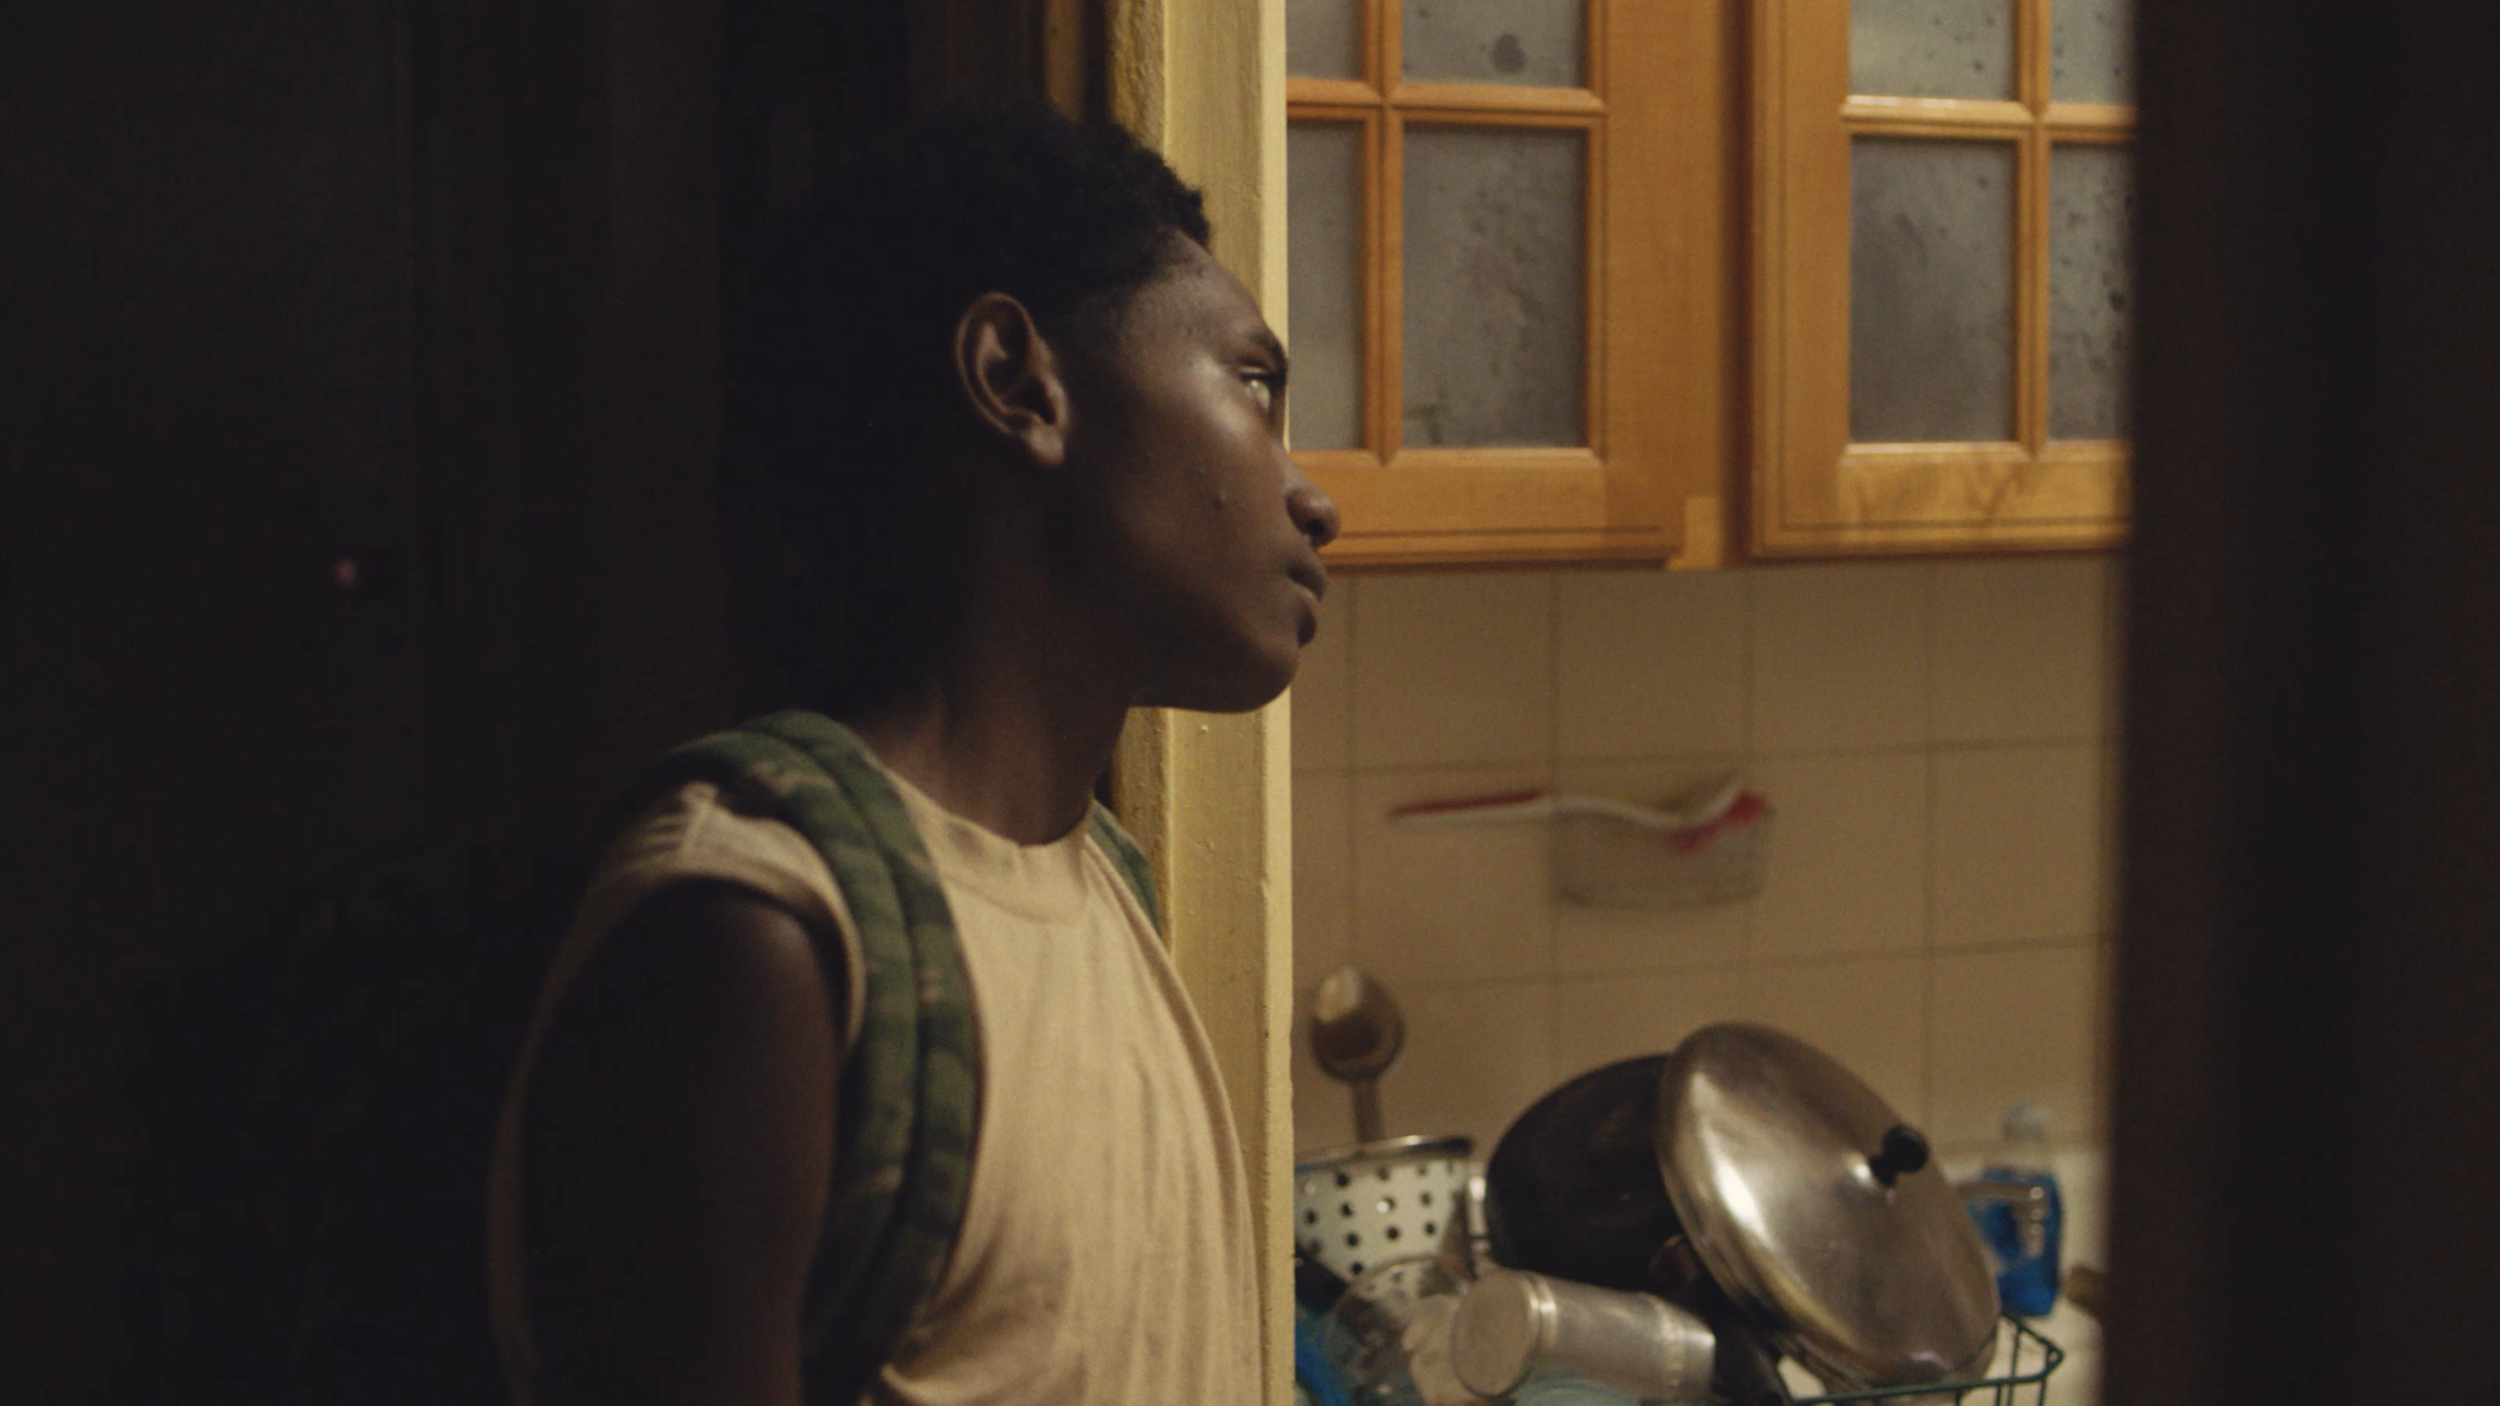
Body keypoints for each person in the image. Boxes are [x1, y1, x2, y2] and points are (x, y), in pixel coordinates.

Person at [483, 101, 1339, 1406]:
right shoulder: (760, 932)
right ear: (1018, 380)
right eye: (1254, 385)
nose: (1311, 495)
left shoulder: (1097, 880)